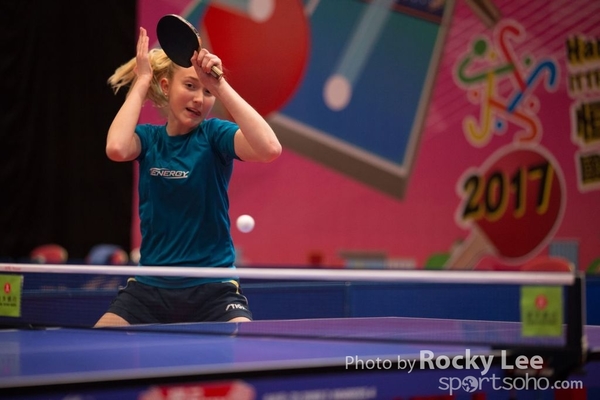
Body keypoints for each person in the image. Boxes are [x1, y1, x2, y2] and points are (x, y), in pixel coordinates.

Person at [94, 27, 281, 327]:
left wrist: (219, 85)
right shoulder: (149, 140)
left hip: (213, 289)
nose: (199, 99)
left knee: (246, 347)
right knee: (98, 344)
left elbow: (269, 148)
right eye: (191, 86)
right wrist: (142, 82)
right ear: (166, 87)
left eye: (206, 92)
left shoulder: (214, 135)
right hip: (150, 287)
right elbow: (116, 148)